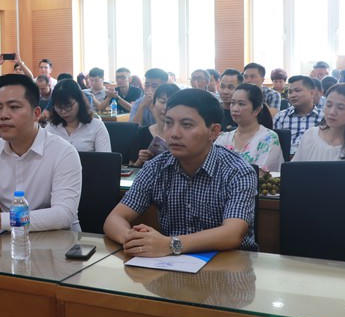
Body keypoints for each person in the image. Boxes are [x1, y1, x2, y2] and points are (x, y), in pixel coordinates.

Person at [103, 88, 258, 256]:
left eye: (186, 125)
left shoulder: (237, 171)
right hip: (171, 263)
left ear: (213, 131)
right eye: (168, 123)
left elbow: (232, 234)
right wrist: (134, 240)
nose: (174, 133)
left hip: (229, 263)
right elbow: (114, 219)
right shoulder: (156, 167)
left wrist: (171, 244)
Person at [0, 74, 82, 232]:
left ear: (36, 114)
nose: (3, 115)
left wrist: (2, 220)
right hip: (9, 240)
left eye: (14, 107)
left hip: (59, 241)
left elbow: (63, 215)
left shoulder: (63, 152)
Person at [215, 84, 283, 172]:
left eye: (241, 104)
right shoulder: (223, 138)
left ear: (257, 110)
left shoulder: (269, 138)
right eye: (233, 103)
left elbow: (262, 174)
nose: (235, 109)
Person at [292, 84, 345, 161]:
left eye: (340, 108)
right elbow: (295, 166)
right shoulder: (310, 135)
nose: (332, 112)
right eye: (328, 105)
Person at [46, 79, 111, 152]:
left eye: (68, 106)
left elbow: (105, 157)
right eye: (59, 107)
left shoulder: (96, 126)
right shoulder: (51, 128)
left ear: (80, 101)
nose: (63, 111)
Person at [272, 75, 323, 155]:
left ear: (312, 93)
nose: (293, 95)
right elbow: (275, 147)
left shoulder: (324, 117)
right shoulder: (280, 117)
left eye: (297, 91)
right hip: (287, 160)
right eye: (290, 92)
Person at [131, 83, 180, 167]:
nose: (165, 107)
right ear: (153, 104)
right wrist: (140, 160)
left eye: (171, 103)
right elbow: (131, 167)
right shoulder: (142, 133)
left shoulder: (183, 135)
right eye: (162, 101)